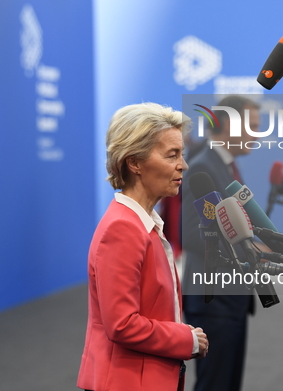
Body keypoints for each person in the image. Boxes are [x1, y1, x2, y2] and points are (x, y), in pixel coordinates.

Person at [77, 102, 209, 391]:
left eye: (182, 155)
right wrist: (185, 339)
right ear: (134, 162)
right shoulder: (122, 228)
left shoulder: (143, 222)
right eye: (171, 155)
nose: (182, 165)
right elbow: (121, 324)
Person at [181, 95, 259, 391]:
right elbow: (191, 233)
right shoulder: (203, 168)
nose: (256, 133)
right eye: (251, 126)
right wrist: (249, 252)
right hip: (214, 301)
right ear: (229, 125)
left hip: (231, 299)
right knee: (215, 385)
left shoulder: (224, 167)